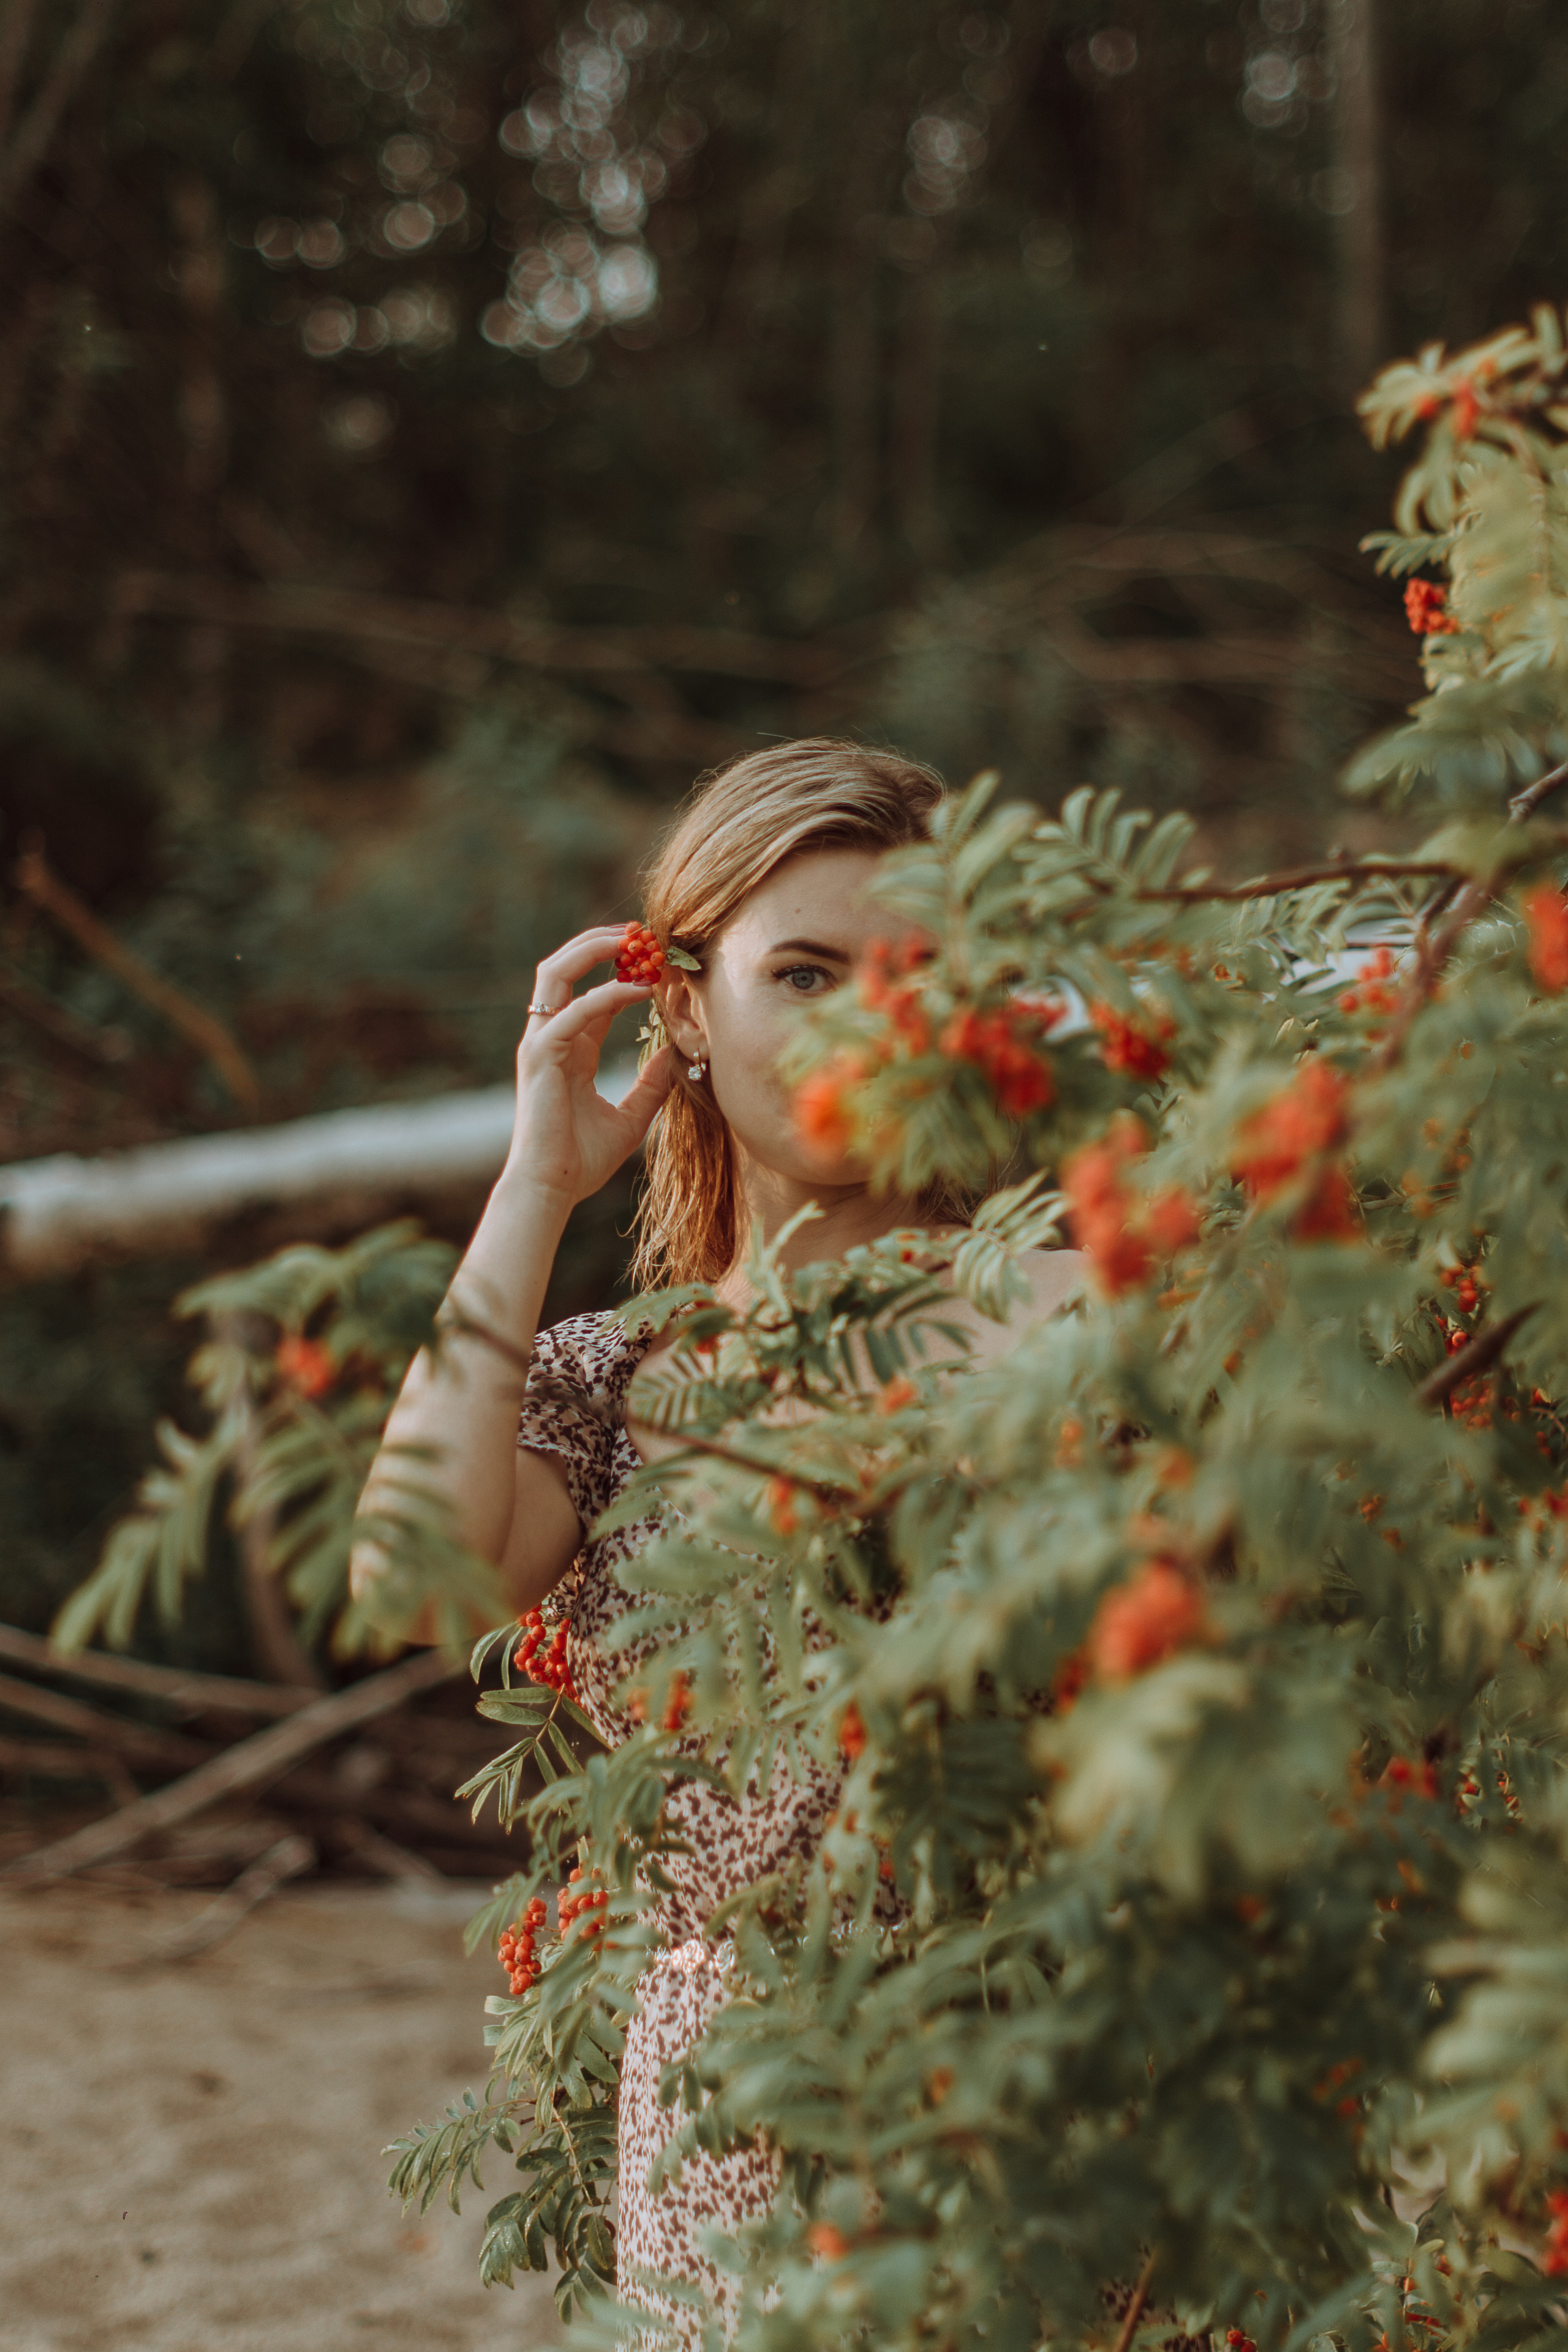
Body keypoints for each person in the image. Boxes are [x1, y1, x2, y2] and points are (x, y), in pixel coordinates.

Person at [352, 737, 1085, 2346]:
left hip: (1055, 2076)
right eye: (805, 971)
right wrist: (537, 1178)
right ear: (685, 1002)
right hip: (728, 2131)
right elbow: (413, 1582)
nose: (862, 1026)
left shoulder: (1085, 1316)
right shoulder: (608, 1388)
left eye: (917, 976)